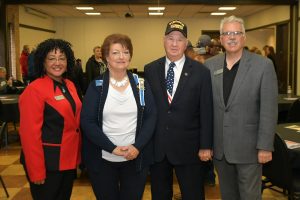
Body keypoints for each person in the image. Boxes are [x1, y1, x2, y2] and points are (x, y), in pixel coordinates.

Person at [204, 15, 278, 199]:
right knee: (228, 196)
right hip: (220, 149)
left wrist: (265, 147)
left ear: (244, 37)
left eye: (236, 33)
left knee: (250, 196)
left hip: (250, 150)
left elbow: (268, 110)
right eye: (227, 33)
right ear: (220, 39)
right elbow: (206, 109)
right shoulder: (209, 66)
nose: (231, 37)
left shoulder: (263, 66)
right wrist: (206, 144)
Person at [80, 33, 157, 200]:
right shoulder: (96, 86)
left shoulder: (141, 84)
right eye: (115, 53)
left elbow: (152, 117)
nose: (121, 57)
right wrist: (112, 148)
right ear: (106, 57)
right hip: (103, 159)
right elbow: (87, 122)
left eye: (126, 52)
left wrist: (137, 147)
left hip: (135, 158)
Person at [144, 20, 213, 200]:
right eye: (170, 38)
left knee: (193, 195)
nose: (174, 43)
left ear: (186, 43)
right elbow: (147, 109)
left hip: (189, 149)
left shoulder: (201, 72)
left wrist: (206, 146)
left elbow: (206, 111)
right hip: (158, 149)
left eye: (180, 39)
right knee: (159, 195)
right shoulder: (150, 69)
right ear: (163, 40)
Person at [19, 39, 82, 200]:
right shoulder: (34, 90)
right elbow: (29, 135)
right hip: (46, 165)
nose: (57, 63)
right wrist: (36, 170)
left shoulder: (69, 85)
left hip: (67, 161)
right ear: (43, 62)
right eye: (51, 58)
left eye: (62, 58)